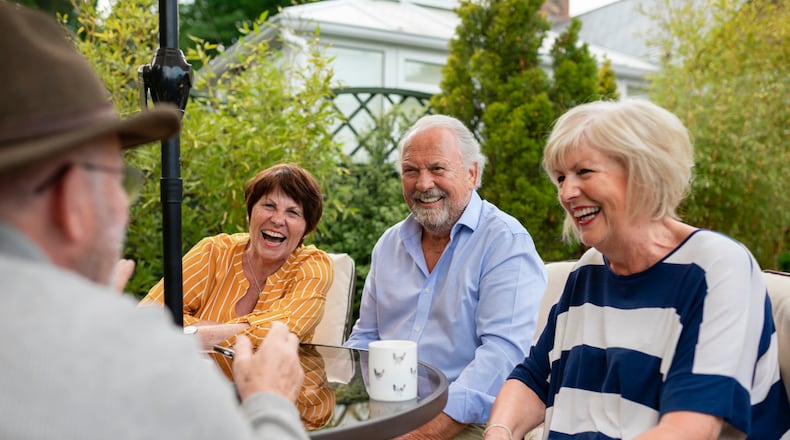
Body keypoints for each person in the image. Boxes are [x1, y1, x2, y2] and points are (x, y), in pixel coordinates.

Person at [0, 2, 308, 439]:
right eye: (118, 178)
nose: (124, 205)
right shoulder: (138, 358)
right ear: (71, 199)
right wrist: (272, 402)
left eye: (293, 211)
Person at [485, 99, 790, 439]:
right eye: (560, 178)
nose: (567, 193)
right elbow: (533, 379)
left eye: (584, 172)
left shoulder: (714, 269)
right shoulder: (589, 271)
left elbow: (690, 429)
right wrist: (500, 431)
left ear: (644, 174)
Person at [345, 114, 548, 439]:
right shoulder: (389, 245)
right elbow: (365, 340)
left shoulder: (505, 242)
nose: (423, 184)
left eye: (437, 168)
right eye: (411, 171)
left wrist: (420, 434)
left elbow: (503, 356)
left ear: (472, 173)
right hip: (388, 413)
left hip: (469, 422)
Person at [139, 163, 335, 429]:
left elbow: (283, 330)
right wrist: (228, 334)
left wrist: (190, 334)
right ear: (250, 212)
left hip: (289, 411)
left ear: (306, 228)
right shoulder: (214, 251)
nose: (278, 220)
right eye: (269, 206)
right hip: (200, 405)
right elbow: (149, 317)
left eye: (293, 212)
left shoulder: (313, 265)